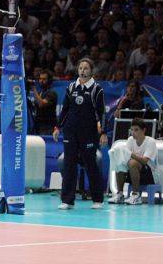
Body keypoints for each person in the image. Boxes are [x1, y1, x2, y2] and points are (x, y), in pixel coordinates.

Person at [53, 58, 106, 210]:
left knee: (91, 164)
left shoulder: (97, 89)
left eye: (86, 68)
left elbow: (101, 113)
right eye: (80, 68)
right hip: (70, 132)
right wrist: (58, 127)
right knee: (69, 164)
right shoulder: (71, 87)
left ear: (91, 71)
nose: (83, 71)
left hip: (88, 133)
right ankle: (67, 200)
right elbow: (65, 110)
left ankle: (97, 199)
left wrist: (102, 132)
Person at [108, 118, 159, 205]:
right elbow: (126, 158)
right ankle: (120, 194)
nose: (133, 132)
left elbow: (144, 161)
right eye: (132, 130)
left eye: (136, 130)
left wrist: (130, 154)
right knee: (120, 162)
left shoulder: (150, 142)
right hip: (133, 172)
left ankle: (136, 195)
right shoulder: (130, 140)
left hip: (150, 175)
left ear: (143, 130)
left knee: (132, 163)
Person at [31, 70, 58, 135]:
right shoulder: (40, 93)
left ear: (49, 80)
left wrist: (33, 89)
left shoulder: (52, 93)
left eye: (44, 79)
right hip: (38, 125)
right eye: (40, 79)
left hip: (47, 127)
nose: (41, 81)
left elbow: (41, 104)